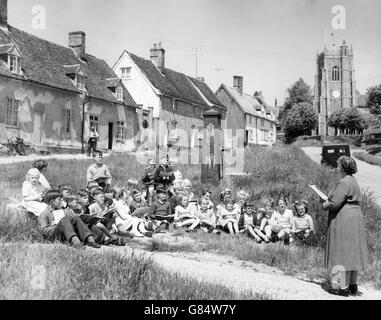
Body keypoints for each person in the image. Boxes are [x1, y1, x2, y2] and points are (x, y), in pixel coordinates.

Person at [322, 156, 368, 297]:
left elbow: (334, 204)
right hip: (354, 217)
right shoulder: (352, 180)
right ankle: (352, 285)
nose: (336, 167)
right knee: (352, 252)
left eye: (338, 165)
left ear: (343, 167)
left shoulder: (343, 182)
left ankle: (340, 287)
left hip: (343, 218)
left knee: (340, 251)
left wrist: (325, 204)